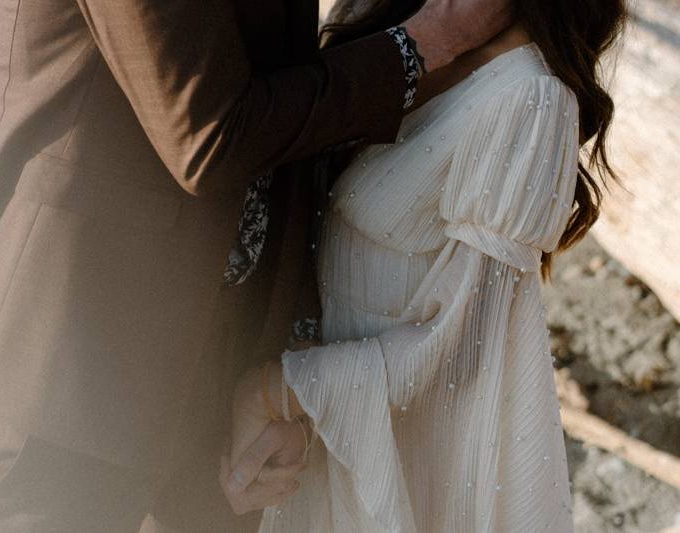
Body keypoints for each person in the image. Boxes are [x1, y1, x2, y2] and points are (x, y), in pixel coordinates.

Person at [0, 0, 514, 531]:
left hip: (220, 370)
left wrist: (291, 349)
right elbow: (207, 137)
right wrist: (427, 41)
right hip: (68, 359)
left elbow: (283, 127)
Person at [224, 0, 627, 531]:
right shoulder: (398, 21)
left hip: (403, 455)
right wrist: (300, 405)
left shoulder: (530, 98)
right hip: (326, 421)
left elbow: (463, 347)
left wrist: (277, 390)